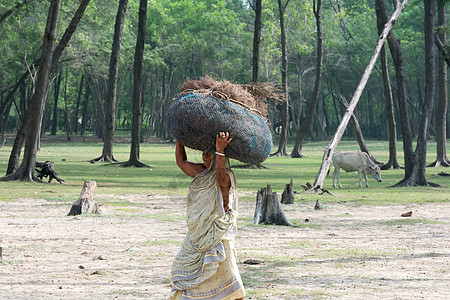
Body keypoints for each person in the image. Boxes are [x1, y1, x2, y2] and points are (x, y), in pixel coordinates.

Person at [170, 132, 245, 300]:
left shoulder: (226, 177)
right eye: (204, 153)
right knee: (181, 267)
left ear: (220, 156)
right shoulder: (201, 172)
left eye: (208, 153)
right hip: (197, 234)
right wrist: (179, 138)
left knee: (228, 277)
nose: (205, 156)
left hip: (217, 235)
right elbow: (181, 162)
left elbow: (219, 177)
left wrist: (219, 149)